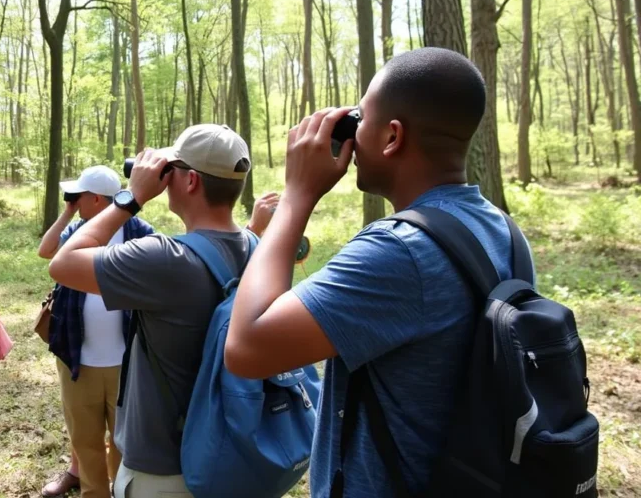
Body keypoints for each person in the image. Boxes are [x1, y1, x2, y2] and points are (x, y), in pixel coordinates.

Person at [225, 48, 530, 497]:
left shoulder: (400, 251)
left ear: (391, 138)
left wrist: (295, 196)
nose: (353, 131)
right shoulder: (502, 229)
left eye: (361, 118)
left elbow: (246, 349)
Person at [49, 124, 252, 498]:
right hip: (231, 450)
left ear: (190, 181)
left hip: (167, 469)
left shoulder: (167, 257)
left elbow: (62, 264)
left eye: (168, 168)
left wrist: (131, 197)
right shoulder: (257, 247)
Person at [38, 166, 155, 498]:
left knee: (123, 444)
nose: (73, 200)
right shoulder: (76, 232)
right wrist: (68, 212)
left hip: (126, 364)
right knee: (85, 443)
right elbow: (46, 250)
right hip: (77, 360)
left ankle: (120, 493)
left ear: (96, 199)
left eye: (78, 196)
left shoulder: (142, 234)